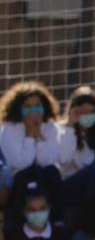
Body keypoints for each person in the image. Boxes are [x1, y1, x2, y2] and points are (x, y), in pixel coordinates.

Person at [0, 82, 63, 213]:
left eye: (37, 106)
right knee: (33, 171)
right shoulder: (9, 129)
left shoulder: (51, 128)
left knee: (52, 172)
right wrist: (29, 134)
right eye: (28, 106)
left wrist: (39, 136)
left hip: (45, 176)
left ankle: (56, 217)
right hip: (19, 180)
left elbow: (48, 161)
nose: (33, 110)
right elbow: (20, 163)